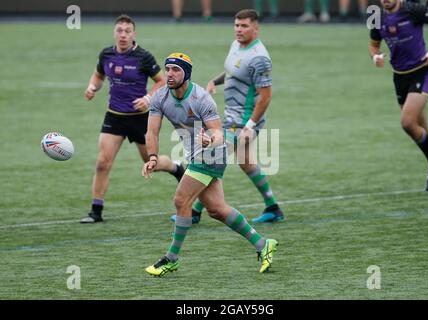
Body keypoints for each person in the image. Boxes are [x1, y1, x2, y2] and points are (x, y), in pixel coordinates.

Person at [142, 52, 278, 276]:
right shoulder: (160, 96)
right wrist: (153, 158)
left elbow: (218, 133)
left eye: (176, 70)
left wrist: (209, 140)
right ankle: (263, 244)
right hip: (194, 154)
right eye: (167, 69)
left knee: (181, 199)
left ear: (186, 74)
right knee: (217, 210)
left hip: (212, 153)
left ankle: (171, 258)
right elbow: (152, 131)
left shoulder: (201, 98)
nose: (169, 74)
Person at [170, 9, 285, 225]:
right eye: (236, 25)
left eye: (244, 26)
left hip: (243, 122)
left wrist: (250, 125)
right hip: (232, 117)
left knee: (211, 157)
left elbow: (266, 96)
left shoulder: (260, 58)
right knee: (246, 163)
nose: (239, 30)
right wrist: (215, 80)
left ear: (255, 28)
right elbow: (233, 71)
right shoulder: (236, 45)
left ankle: (194, 211)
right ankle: (273, 207)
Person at [80, 15, 185, 224]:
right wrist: (92, 87)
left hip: (139, 118)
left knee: (150, 163)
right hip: (115, 117)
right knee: (102, 163)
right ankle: (96, 211)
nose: (123, 35)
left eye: (127, 31)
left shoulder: (143, 57)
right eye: (119, 30)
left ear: (133, 34)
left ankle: (176, 167)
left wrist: (147, 97)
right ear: (114, 32)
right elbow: (98, 75)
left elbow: (162, 82)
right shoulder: (106, 54)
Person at [369, 0, 428, 194]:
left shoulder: (413, 9)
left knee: (407, 123)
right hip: (400, 77)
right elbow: (374, 45)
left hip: (422, 72)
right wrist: (376, 56)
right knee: (422, 129)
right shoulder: (375, 16)